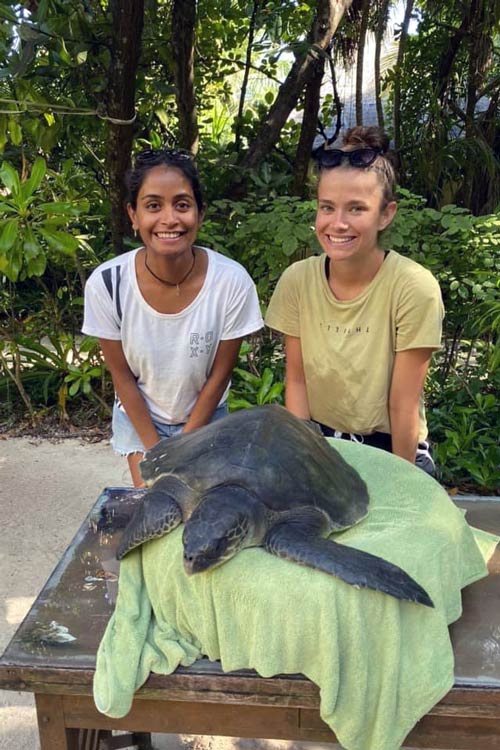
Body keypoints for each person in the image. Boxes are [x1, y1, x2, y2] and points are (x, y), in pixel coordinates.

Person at [265, 126, 444, 475]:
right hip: (321, 441)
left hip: (394, 447)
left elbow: (403, 403)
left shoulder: (414, 287)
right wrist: (306, 462)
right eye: (327, 207)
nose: (338, 223)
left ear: (386, 214)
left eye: (356, 209)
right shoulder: (297, 280)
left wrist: (400, 483)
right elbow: (297, 382)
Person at [83, 148, 263, 486]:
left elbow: (219, 376)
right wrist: (157, 452)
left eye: (182, 204)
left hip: (207, 417)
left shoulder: (231, 282)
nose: (169, 219)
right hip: (140, 420)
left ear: (200, 213)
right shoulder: (107, 284)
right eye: (153, 205)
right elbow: (122, 379)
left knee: (203, 512)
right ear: (133, 215)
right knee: (157, 506)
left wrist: (184, 446)